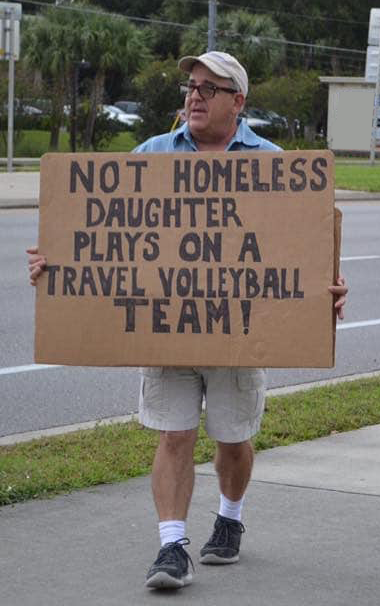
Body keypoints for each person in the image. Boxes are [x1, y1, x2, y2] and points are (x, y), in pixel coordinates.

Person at [28, 51, 348, 591]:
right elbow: (107, 238)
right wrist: (54, 262)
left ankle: (230, 516)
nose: (194, 96)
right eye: (191, 87)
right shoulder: (150, 155)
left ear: (238, 102)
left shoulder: (275, 163)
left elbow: (306, 253)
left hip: (241, 335)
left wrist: (327, 291)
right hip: (167, 330)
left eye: (209, 88)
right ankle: (171, 546)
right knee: (174, 435)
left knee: (232, 440)